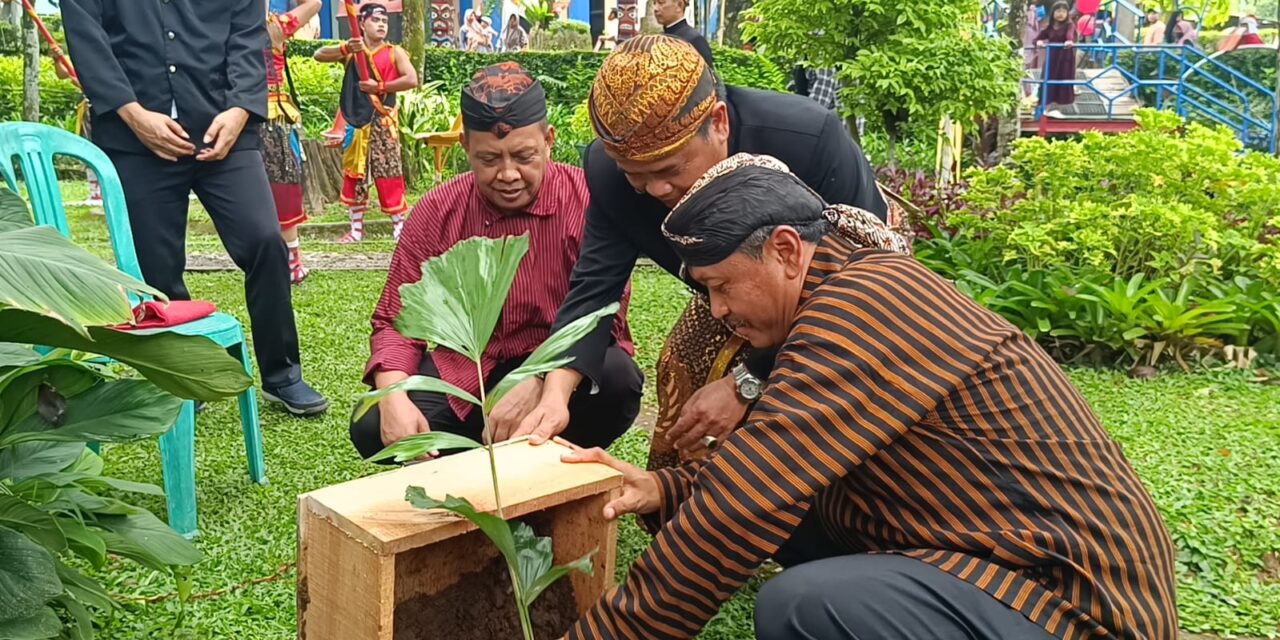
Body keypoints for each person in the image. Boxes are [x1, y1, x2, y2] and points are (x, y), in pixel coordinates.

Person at [558, 152, 1179, 640]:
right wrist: (661, 487)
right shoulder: (844, 291)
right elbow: (771, 476)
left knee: (803, 607)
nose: (718, 310)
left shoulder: (861, 310)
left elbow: (740, 508)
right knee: (796, 512)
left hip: (1071, 605)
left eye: (722, 287)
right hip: (994, 551)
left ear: (785, 251)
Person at [512, 35, 894, 476]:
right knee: (685, 366)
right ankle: (691, 508)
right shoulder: (610, 173)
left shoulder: (806, 140)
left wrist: (747, 382)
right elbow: (594, 290)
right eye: (637, 176)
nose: (656, 191)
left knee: (801, 403)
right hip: (747, 286)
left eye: (670, 170)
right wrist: (556, 392)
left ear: (718, 122)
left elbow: (859, 281)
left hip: (847, 290)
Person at [351, 62, 644, 461]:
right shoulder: (438, 211)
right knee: (373, 422)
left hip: (559, 370)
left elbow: (602, 315)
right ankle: (465, 488)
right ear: (465, 147)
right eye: (489, 159)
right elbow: (396, 319)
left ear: (548, 141)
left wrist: (540, 380)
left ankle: (547, 477)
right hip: (467, 372)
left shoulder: (588, 201)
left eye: (524, 156)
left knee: (616, 379)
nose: (508, 174)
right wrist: (394, 395)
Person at [62, 0, 329, 416]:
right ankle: (183, 375)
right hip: (136, 137)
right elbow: (88, 40)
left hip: (223, 129)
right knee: (156, 265)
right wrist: (133, 115)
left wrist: (240, 109)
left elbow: (246, 39)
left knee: (265, 242)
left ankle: (282, 375)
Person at [314, 3, 419, 244]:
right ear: (362, 23)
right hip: (357, 123)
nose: (382, 25)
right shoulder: (353, 52)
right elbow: (319, 55)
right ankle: (356, 230)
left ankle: (399, 228)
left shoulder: (395, 52)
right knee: (355, 174)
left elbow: (411, 79)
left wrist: (380, 87)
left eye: (384, 21)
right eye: (376, 20)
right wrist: (345, 46)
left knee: (388, 172)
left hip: (383, 121)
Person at [266, 0, 323, 284]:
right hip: (274, 118)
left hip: (242, 118)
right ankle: (292, 262)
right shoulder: (274, 26)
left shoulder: (223, 28)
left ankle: (282, 262)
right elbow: (314, 3)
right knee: (284, 188)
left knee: (268, 190)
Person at [53, 61, 102, 209]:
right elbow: (64, 75)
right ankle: (94, 192)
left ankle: (102, 191)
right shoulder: (84, 60)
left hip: (101, 114)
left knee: (100, 151)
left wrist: (83, 84)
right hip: (86, 114)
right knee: (89, 149)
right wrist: (57, 60)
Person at [1037, 1, 1076, 108]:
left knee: (1063, 79)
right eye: (1058, 11)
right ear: (1053, 13)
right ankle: (1045, 105)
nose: (1061, 14)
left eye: (1064, 11)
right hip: (1052, 58)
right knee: (1048, 78)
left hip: (1065, 57)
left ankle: (1061, 107)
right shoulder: (1049, 27)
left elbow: (1070, 35)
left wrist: (1069, 41)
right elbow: (1039, 37)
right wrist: (1039, 42)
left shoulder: (1069, 25)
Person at [653, 0, 713, 66]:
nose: (655, 8)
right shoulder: (656, 39)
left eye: (661, 3)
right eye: (654, 3)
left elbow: (706, 74)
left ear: (679, 5)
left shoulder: (695, 40)